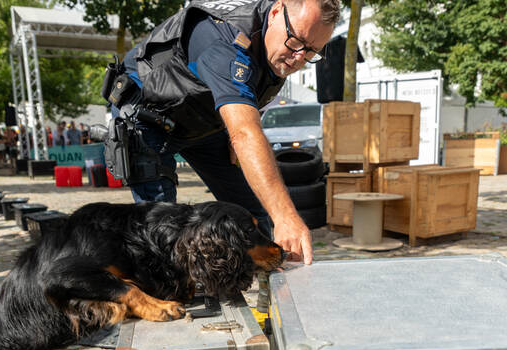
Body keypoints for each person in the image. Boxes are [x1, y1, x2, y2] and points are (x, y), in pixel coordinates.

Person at [102, 0, 337, 264]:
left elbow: (246, 106)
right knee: (162, 228)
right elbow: (246, 133)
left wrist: (232, 133)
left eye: (311, 52)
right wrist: (287, 217)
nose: (299, 59)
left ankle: (263, 288)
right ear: (274, 12)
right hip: (148, 113)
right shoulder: (224, 40)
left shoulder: (278, 45)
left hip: (201, 118)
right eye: (296, 42)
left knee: (255, 216)